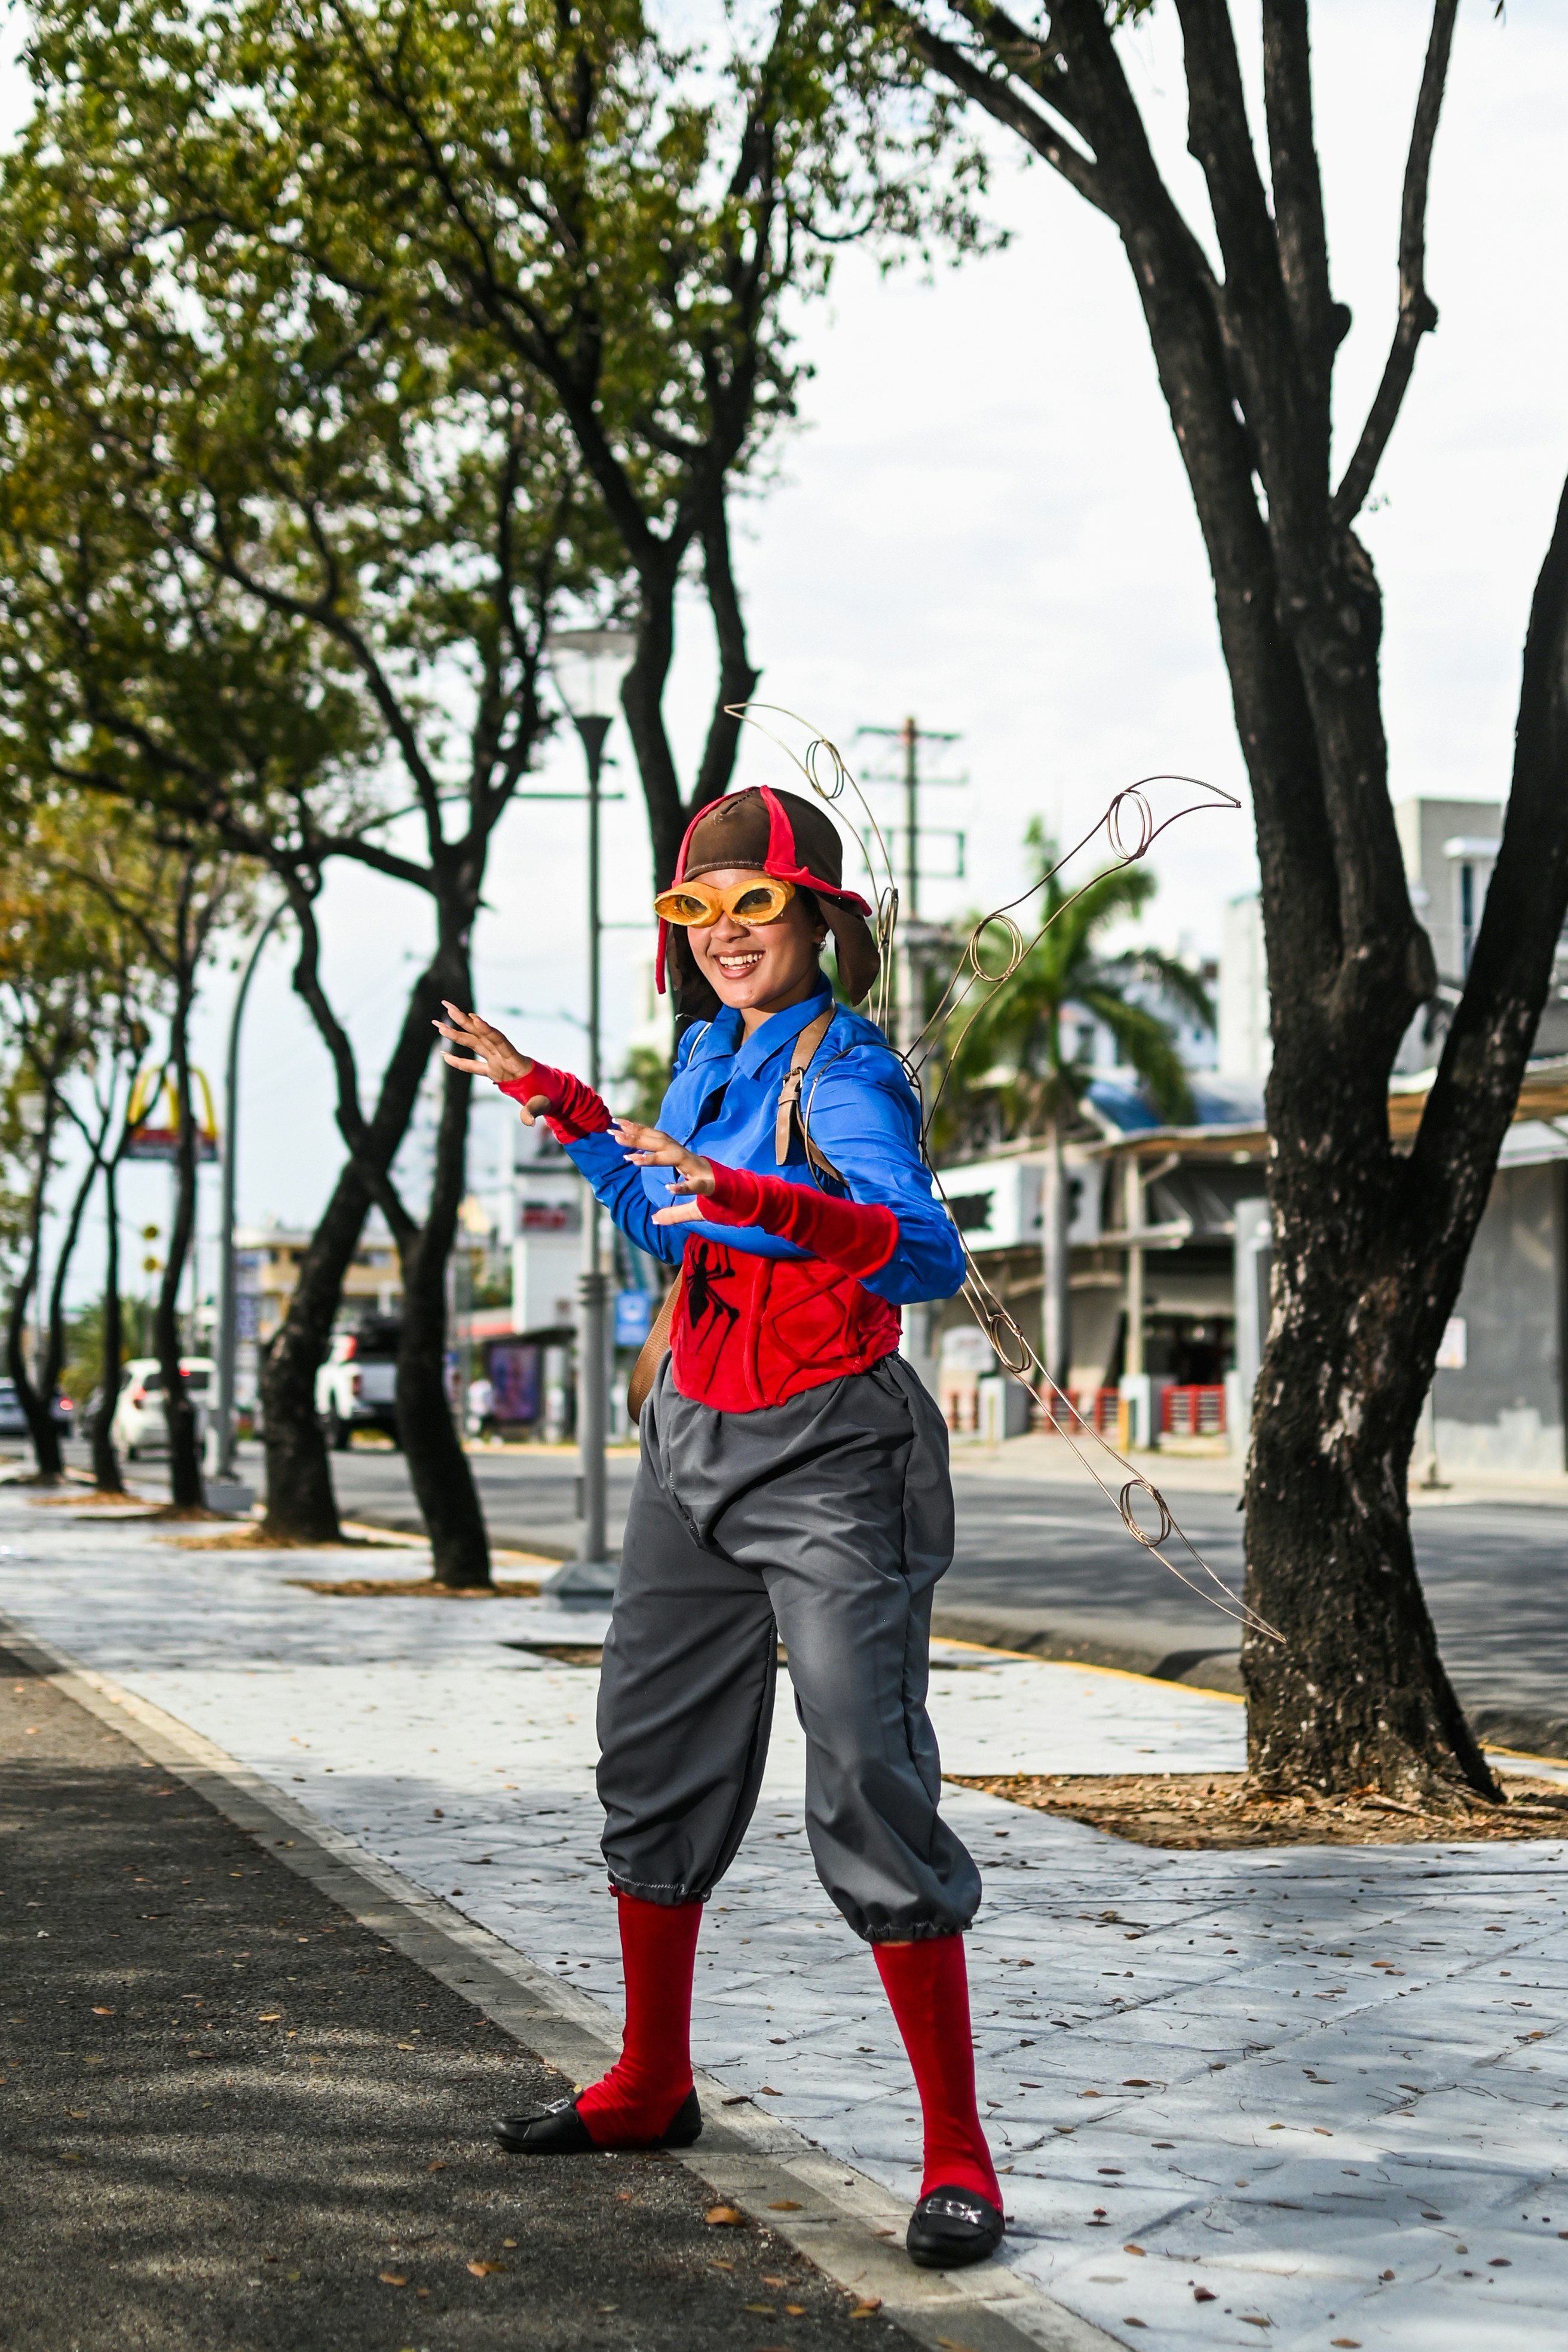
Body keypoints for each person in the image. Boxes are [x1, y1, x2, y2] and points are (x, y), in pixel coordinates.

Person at [435, 783, 1003, 2270]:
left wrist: (763, 1195)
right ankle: (648, 2083)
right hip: (690, 1441)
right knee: (651, 1749)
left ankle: (956, 2152)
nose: (728, 933)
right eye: (701, 910)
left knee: (867, 1774)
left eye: (758, 903)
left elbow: (924, 1250)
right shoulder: (701, 1058)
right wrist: (551, 1098)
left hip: (828, 1449)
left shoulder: (849, 1074)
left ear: (819, 914)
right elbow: (659, 1210)